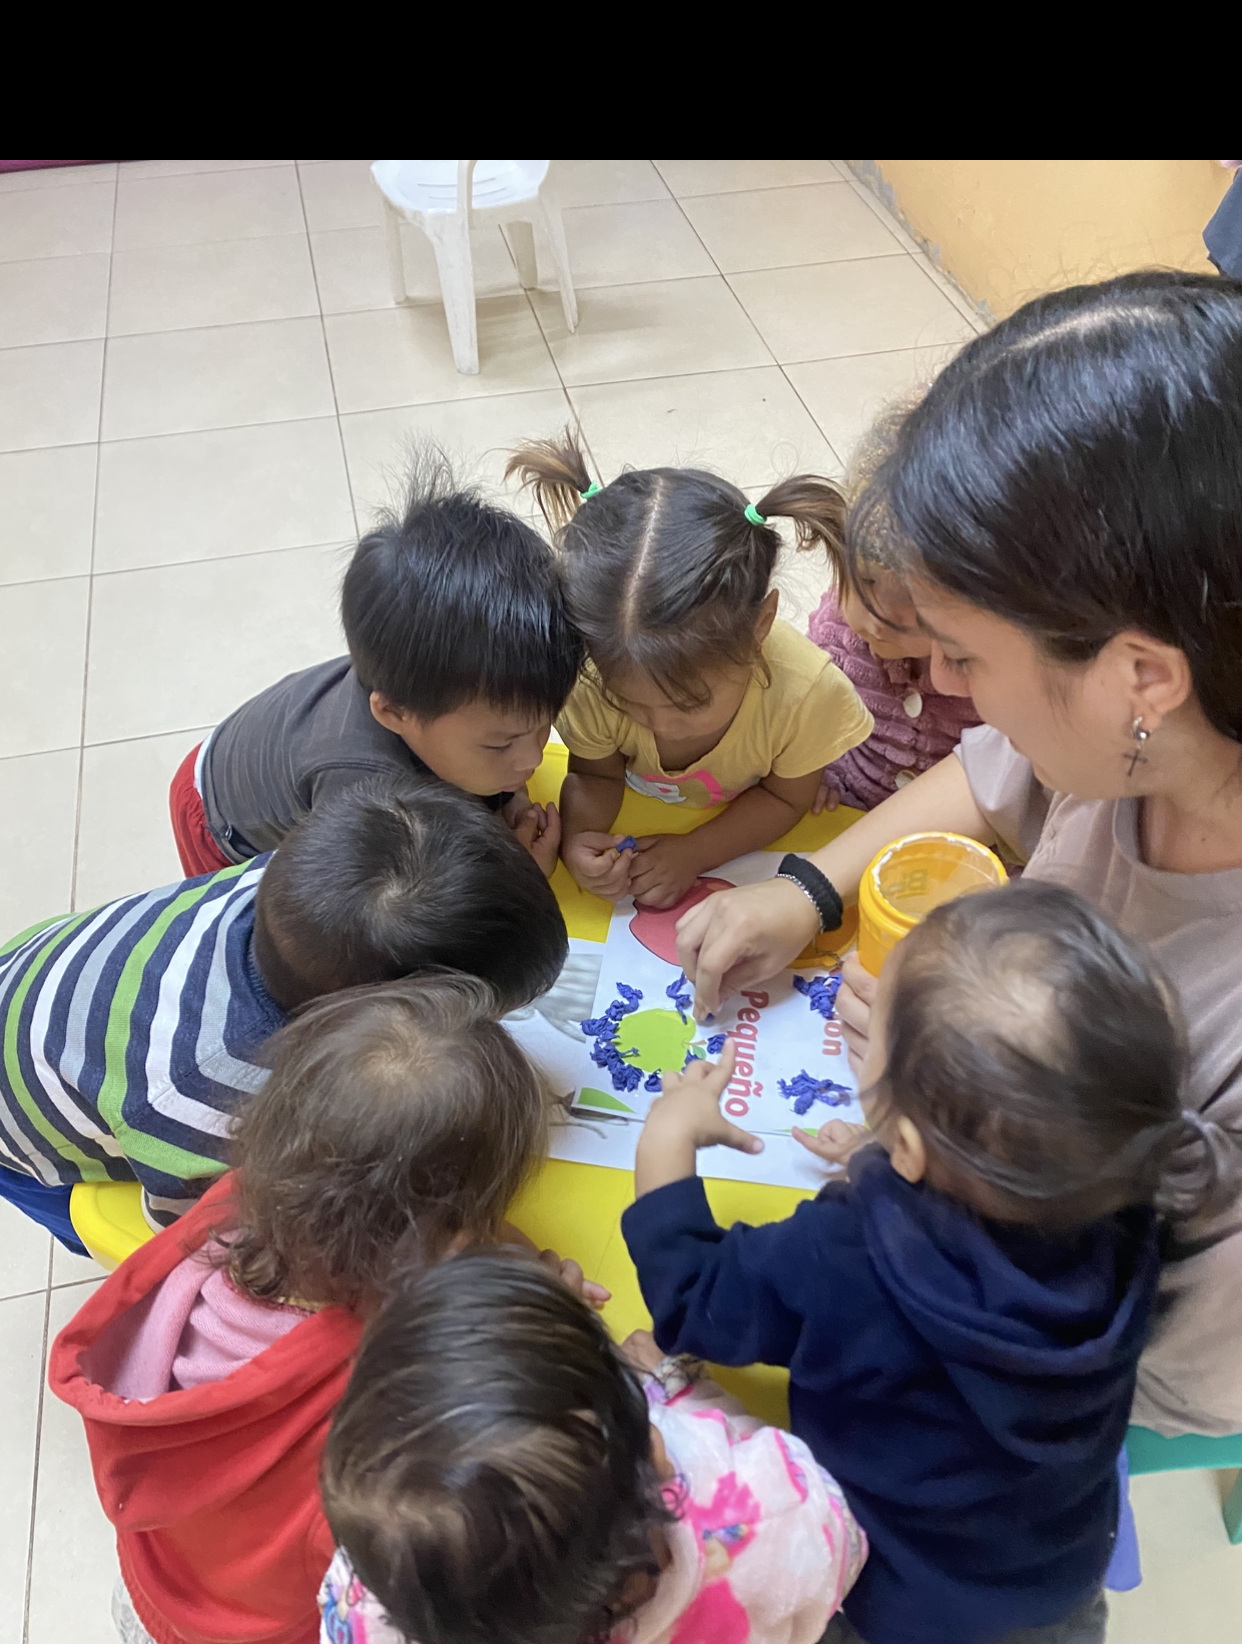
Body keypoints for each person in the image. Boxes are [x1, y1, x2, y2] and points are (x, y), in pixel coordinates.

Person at [674, 272, 1242, 1448]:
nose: (937, 687)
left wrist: (945, 1180)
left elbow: (1136, 1380)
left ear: (1141, 678)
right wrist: (810, 888)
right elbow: (990, 776)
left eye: (965, 656)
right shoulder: (1139, 740)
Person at [623, 883, 1227, 1644]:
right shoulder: (1130, 1214)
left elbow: (693, 1301)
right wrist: (898, 1159)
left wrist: (666, 1146)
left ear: (906, 1142)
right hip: (1063, 1584)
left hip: (905, 1639)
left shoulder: (848, 1257)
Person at [49, 973, 555, 1644]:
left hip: (156, 1602)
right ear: (447, 1239)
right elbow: (416, 1569)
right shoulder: (392, 1387)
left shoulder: (241, 1204)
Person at [316, 1257, 864, 1644]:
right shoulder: (766, 1518)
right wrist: (679, 1388)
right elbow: (840, 1556)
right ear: (655, 1451)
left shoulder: (390, 1625)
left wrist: (532, 1342)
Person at [0, 772, 567, 1246]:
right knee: (94, 1226)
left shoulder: (310, 891)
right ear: (380, 1027)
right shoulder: (212, 1094)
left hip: (47, 976)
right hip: (25, 1123)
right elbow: (186, 1239)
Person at [169, 453, 582, 882]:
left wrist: (506, 796)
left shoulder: (436, 689)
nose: (534, 757)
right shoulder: (364, 794)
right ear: (393, 712)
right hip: (217, 820)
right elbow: (371, 909)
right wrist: (513, 879)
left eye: (542, 726)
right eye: (500, 745)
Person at [506, 433, 872, 911]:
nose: (659, 725)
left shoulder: (806, 695)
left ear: (760, 625)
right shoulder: (590, 677)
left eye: (689, 704)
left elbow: (786, 799)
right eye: (628, 702)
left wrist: (697, 852)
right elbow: (595, 776)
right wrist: (579, 840)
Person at [805, 513, 980, 812]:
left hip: (950, 820)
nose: (877, 621)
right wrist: (812, 770)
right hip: (845, 801)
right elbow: (805, 705)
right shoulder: (833, 628)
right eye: (866, 581)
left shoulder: (987, 666)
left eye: (910, 598)